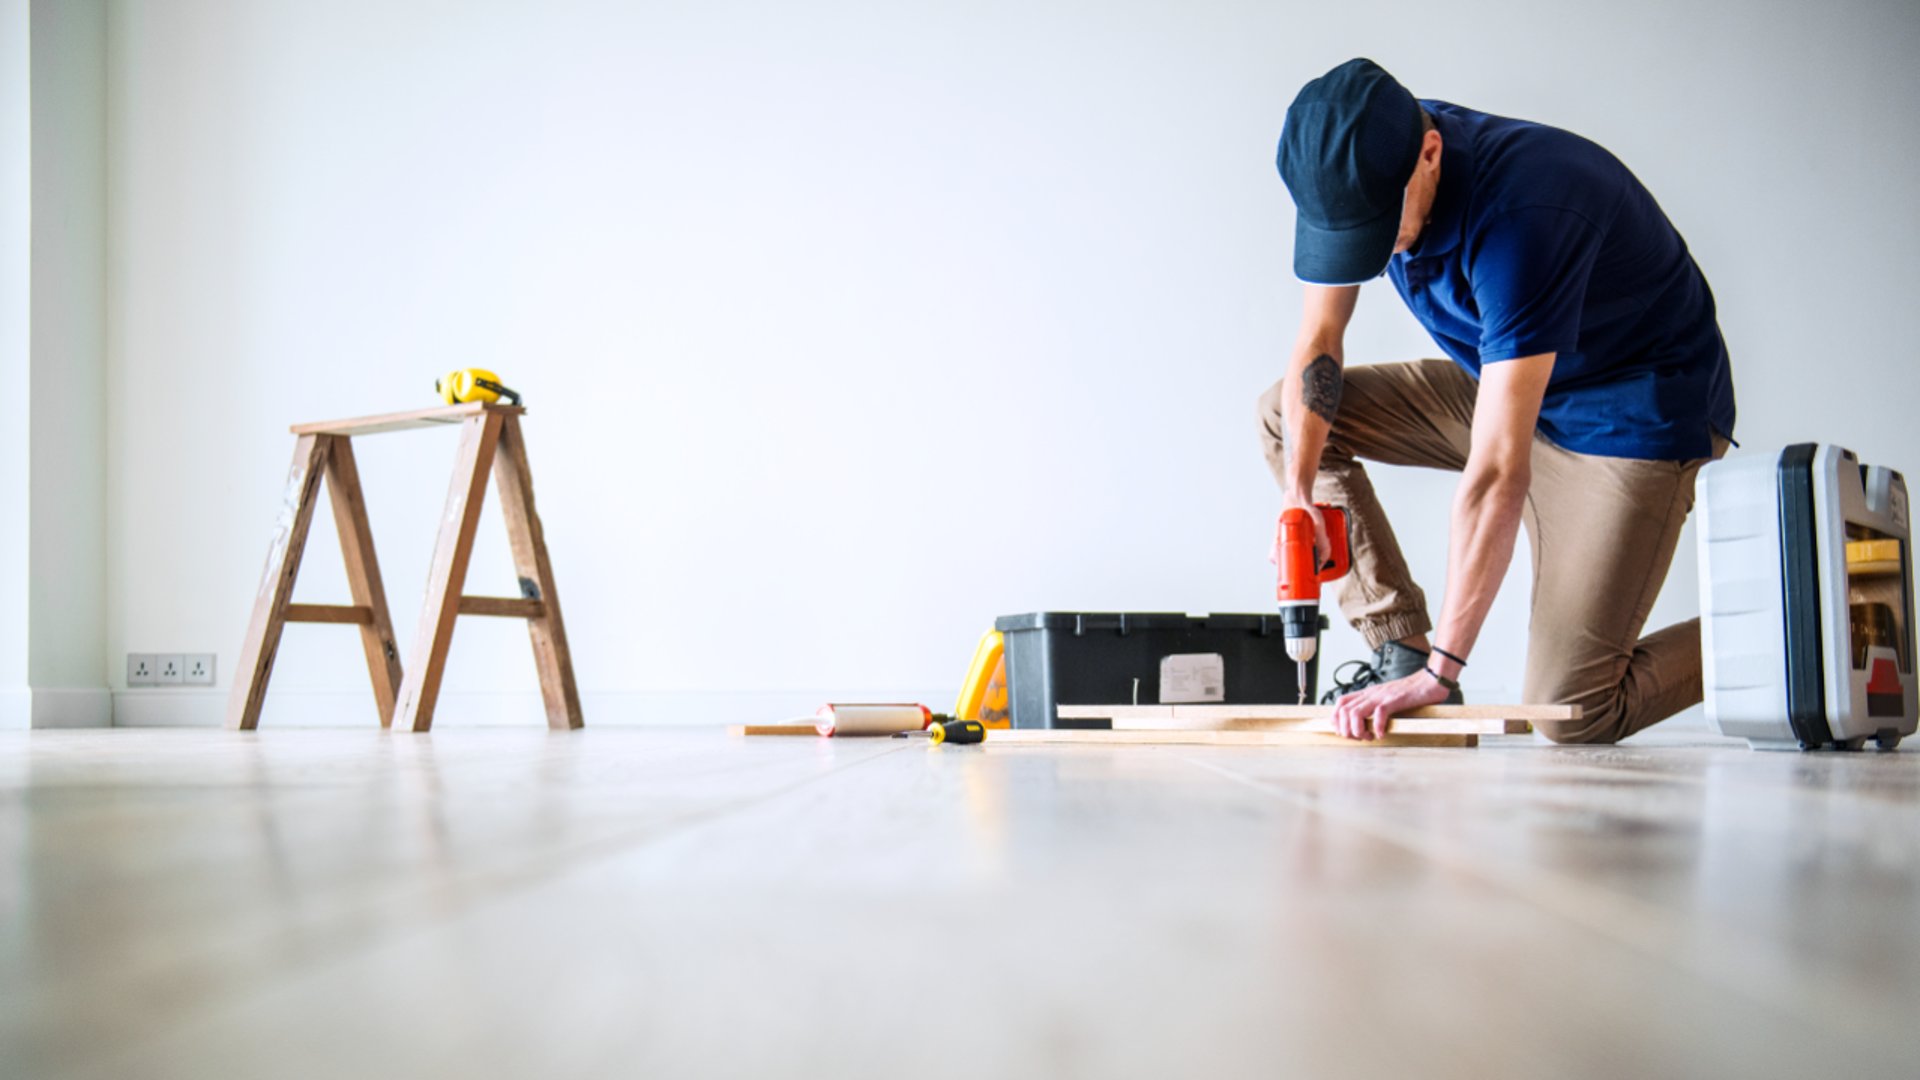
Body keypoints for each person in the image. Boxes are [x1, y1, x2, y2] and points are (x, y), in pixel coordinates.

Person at [1259, 58, 1735, 743]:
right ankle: (1401, 648)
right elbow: (1319, 341)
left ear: (1430, 155)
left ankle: (1792, 619)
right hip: (1509, 382)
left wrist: (1446, 675)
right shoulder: (1363, 158)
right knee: (1287, 415)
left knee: (1574, 710)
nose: (1370, 254)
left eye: (1375, 233)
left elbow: (1495, 473)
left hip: (1628, 420)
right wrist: (1298, 496)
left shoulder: (1528, 214)